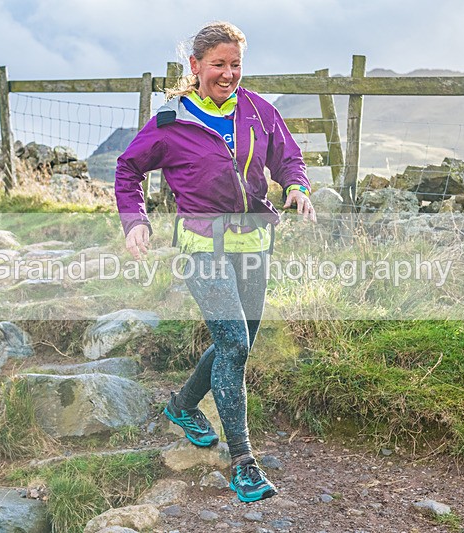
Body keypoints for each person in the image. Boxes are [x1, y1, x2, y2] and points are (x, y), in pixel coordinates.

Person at [115, 21, 315, 503]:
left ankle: (182, 406)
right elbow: (128, 169)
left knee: (239, 342)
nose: (228, 74)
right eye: (219, 65)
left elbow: (289, 158)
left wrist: (296, 188)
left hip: (253, 241)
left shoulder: (259, 110)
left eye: (236, 65)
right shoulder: (171, 121)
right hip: (202, 246)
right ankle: (243, 461)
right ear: (196, 66)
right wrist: (135, 221)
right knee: (232, 341)